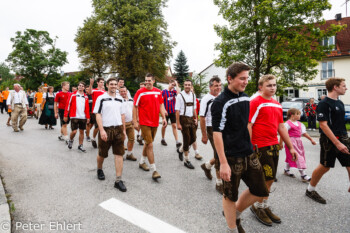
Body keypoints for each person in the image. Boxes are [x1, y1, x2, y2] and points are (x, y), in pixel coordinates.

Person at [212, 62, 269, 232]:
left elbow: (246, 125)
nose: (246, 81)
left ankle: (234, 214)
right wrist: (222, 162)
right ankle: (232, 228)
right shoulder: (220, 102)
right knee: (230, 195)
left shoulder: (245, 98)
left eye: (247, 78)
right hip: (230, 157)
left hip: (248, 152)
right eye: (242, 78)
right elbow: (217, 133)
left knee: (260, 190)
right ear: (230, 79)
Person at [248, 74, 298, 227]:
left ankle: (263, 205)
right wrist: (250, 146)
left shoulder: (277, 104)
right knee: (264, 179)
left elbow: (281, 126)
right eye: (269, 85)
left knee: (270, 178)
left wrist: (291, 146)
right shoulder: (255, 102)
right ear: (260, 87)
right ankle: (257, 206)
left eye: (274, 85)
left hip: (273, 145)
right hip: (259, 146)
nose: (272, 88)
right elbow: (249, 124)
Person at [306, 77, 350, 204]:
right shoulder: (324, 104)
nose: (346, 88)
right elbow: (323, 125)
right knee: (325, 166)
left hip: (343, 136)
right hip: (329, 139)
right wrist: (337, 143)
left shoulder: (340, 103)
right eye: (343, 86)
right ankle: (310, 190)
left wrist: (344, 139)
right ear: (335, 87)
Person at [93, 77, 127, 192]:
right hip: (106, 129)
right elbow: (98, 115)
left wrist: (124, 130)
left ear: (118, 85)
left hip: (118, 129)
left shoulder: (120, 99)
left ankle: (118, 180)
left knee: (119, 154)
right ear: (107, 85)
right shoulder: (101, 98)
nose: (113, 86)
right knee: (102, 154)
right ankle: (99, 169)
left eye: (115, 84)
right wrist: (101, 130)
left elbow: (122, 115)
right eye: (111, 84)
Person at [133, 73, 167, 180]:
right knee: (150, 145)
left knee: (148, 143)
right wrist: (135, 121)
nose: (147, 82)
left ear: (153, 81)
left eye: (149, 80)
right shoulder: (140, 92)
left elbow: (161, 104)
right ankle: (154, 170)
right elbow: (135, 106)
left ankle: (142, 162)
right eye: (146, 80)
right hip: (144, 122)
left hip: (155, 122)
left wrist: (164, 118)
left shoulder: (158, 91)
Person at [200, 76, 223, 194]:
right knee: (219, 154)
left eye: (219, 85)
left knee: (224, 152)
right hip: (211, 128)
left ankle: (207, 165)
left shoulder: (222, 97)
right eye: (215, 86)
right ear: (210, 87)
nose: (218, 88)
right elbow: (202, 118)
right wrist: (204, 135)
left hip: (223, 127)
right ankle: (219, 182)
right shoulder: (206, 99)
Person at [280, 108, 316, 182]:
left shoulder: (300, 124)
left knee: (292, 156)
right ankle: (303, 175)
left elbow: (304, 133)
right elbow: (283, 134)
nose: (300, 115)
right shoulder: (287, 124)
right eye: (298, 114)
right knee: (298, 157)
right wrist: (280, 143)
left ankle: (286, 170)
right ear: (292, 115)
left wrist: (311, 139)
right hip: (291, 142)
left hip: (299, 142)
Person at [175, 79, 199, 169]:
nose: (187, 86)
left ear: (191, 86)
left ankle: (180, 150)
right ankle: (187, 160)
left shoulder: (193, 95)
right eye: (186, 85)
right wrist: (178, 123)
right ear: (183, 85)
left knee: (193, 138)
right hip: (183, 118)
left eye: (189, 85)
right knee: (186, 139)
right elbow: (177, 111)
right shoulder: (179, 96)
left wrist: (196, 118)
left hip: (191, 119)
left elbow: (194, 108)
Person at [64, 82, 90, 152]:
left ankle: (80, 145)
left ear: (84, 88)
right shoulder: (72, 95)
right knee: (74, 131)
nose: (81, 87)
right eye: (79, 85)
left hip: (83, 116)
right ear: (78, 86)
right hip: (74, 116)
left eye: (82, 86)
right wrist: (65, 115)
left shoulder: (86, 96)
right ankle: (71, 140)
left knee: (81, 131)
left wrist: (88, 117)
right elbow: (68, 105)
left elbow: (87, 108)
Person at [161, 80, 181, 148]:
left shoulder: (173, 91)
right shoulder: (164, 91)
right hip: (166, 112)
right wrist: (163, 110)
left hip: (172, 111)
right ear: (169, 83)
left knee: (174, 126)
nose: (173, 86)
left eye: (174, 85)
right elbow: (161, 102)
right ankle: (163, 139)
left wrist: (177, 84)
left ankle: (177, 141)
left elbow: (179, 94)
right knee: (164, 126)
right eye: (172, 84)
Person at [119, 86, 137, 161]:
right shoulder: (118, 100)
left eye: (124, 91)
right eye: (121, 91)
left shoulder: (131, 100)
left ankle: (129, 154)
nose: (123, 93)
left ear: (127, 91)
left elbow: (134, 110)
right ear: (119, 92)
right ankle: (120, 154)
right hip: (120, 124)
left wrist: (134, 119)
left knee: (132, 139)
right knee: (121, 140)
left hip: (130, 123)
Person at [88, 77, 106, 149]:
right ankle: (93, 138)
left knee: (103, 126)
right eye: (101, 82)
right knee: (98, 126)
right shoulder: (94, 90)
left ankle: (100, 139)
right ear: (97, 83)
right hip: (96, 112)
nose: (102, 83)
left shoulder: (105, 92)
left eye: (103, 82)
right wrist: (91, 84)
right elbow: (89, 92)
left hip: (104, 112)